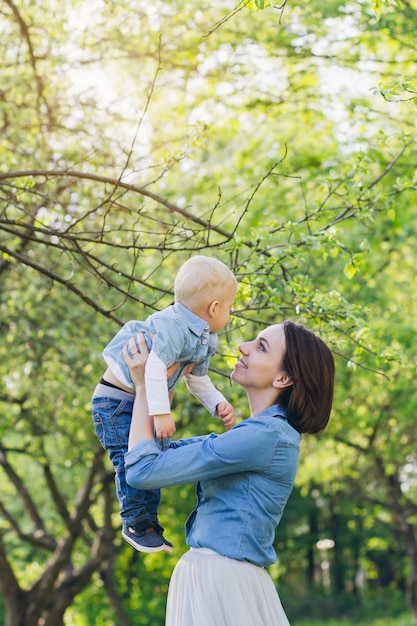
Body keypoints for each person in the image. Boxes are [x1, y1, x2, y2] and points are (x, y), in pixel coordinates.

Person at [124, 321, 335, 625]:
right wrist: (157, 391)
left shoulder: (266, 437)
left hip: (223, 582)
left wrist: (144, 386)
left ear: (283, 377)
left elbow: (143, 470)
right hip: (214, 578)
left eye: (261, 346)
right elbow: (157, 456)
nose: (243, 347)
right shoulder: (256, 436)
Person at [91, 255, 238, 553]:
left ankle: (149, 522)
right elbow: (154, 368)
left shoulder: (205, 338)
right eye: (230, 306)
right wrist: (161, 413)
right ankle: (135, 520)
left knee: (154, 458)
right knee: (129, 459)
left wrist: (217, 403)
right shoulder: (172, 326)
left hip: (139, 400)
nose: (231, 313)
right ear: (214, 308)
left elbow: (196, 379)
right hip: (116, 402)